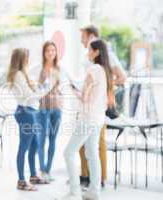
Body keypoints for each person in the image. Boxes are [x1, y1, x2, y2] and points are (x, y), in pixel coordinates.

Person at [59, 40, 114, 200]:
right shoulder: (105, 71)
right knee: (92, 153)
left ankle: (74, 191)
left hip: (88, 119)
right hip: (98, 119)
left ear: (96, 52)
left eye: (89, 50)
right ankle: (93, 191)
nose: (87, 52)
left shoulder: (94, 69)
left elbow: (84, 97)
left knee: (68, 152)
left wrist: (70, 88)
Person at [79, 25, 127, 187]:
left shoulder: (106, 55)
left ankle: (99, 178)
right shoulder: (90, 57)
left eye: (83, 36)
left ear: (92, 36)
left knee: (97, 143)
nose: (81, 40)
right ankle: (85, 176)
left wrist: (104, 86)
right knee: (85, 144)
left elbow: (122, 77)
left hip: (97, 107)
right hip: (87, 106)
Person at [7, 48, 56, 191]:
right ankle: (21, 180)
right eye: (27, 57)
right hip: (25, 112)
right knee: (24, 146)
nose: (28, 59)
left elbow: (31, 93)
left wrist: (39, 88)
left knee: (34, 144)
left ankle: (33, 175)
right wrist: (47, 88)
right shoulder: (18, 75)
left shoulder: (22, 74)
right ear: (21, 59)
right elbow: (30, 96)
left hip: (30, 111)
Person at [38, 41, 63, 182]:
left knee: (53, 140)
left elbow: (61, 87)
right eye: (48, 50)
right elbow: (37, 89)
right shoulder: (40, 69)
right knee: (42, 140)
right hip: (43, 109)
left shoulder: (59, 69)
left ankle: (48, 170)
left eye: (53, 50)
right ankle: (42, 170)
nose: (51, 53)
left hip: (57, 108)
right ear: (44, 53)